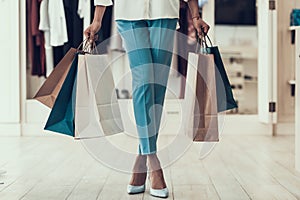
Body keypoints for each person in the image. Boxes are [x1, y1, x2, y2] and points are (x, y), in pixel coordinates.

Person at [84, 0, 209, 198]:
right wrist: (97, 19)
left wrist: (195, 16)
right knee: (143, 79)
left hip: (164, 11)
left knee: (157, 85)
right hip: (129, 13)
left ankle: (141, 158)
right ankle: (153, 161)